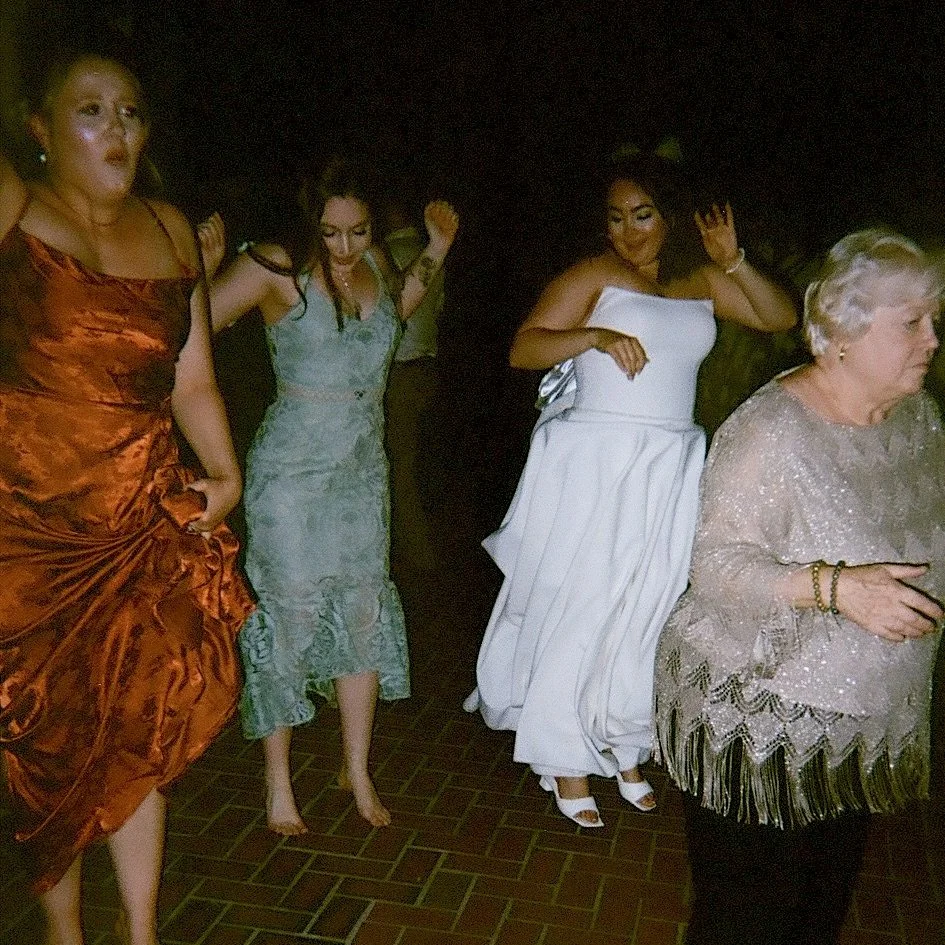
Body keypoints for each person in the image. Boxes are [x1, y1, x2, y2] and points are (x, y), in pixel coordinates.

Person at [0, 34, 253, 945]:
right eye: (90, 110)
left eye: (131, 113)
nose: (116, 129)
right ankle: (64, 935)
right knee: (47, 746)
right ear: (40, 128)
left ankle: (140, 933)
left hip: (139, 519)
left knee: (139, 731)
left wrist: (226, 473)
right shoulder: (16, 206)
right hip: (28, 532)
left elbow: (192, 379)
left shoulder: (172, 228)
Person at [464, 150, 796, 827]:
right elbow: (524, 348)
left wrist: (733, 260)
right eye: (615, 218)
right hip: (598, 458)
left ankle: (623, 743)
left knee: (647, 606)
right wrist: (590, 334)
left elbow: (778, 318)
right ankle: (562, 753)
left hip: (668, 462)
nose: (626, 232)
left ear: (669, 216)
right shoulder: (594, 274)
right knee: (583, 601)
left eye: (641, 216)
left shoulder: (701, 280)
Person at [654, 228, 944, 944]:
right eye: (911, 322)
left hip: (853, 725)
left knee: (817, 915)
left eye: (934, 320)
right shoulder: (773, 430)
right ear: (842, 334)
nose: (932, 340)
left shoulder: (920, 421)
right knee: (746, 923)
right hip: (761, 720)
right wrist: (836, 589)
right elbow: (712, 564)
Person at [198, 157, 458, 833]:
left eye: (358, 230)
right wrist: (202, 271)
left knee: (363, 616)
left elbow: (393, 315)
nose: (344, 247)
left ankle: (357, 770)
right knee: (287, 622)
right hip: (290, 478)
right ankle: (278, 784)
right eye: (331, 232)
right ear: (308, 221)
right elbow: (191, 330)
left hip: (361, 476)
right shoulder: (276, 268)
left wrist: (435, 250)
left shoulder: (375, 264)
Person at [379, 192, 446, 574]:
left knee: (398, 470)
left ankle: (419, 560)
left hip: (399, 373)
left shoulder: (385, 256)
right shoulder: (430, 254)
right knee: (412, 463)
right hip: (426, 369)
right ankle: (414, 554)